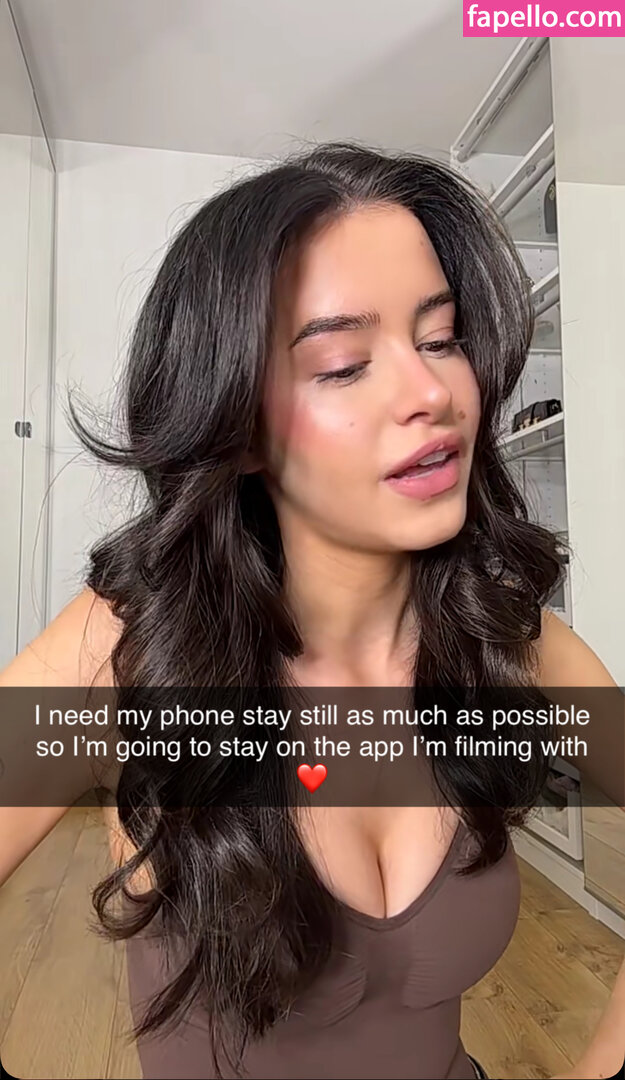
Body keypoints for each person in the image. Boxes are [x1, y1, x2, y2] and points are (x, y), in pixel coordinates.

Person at [1, 140, 623, 1080]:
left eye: (439, 339)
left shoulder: (510, 643)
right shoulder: (129, 651)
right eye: (341, 364)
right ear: (238, 423)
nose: (431, 393)